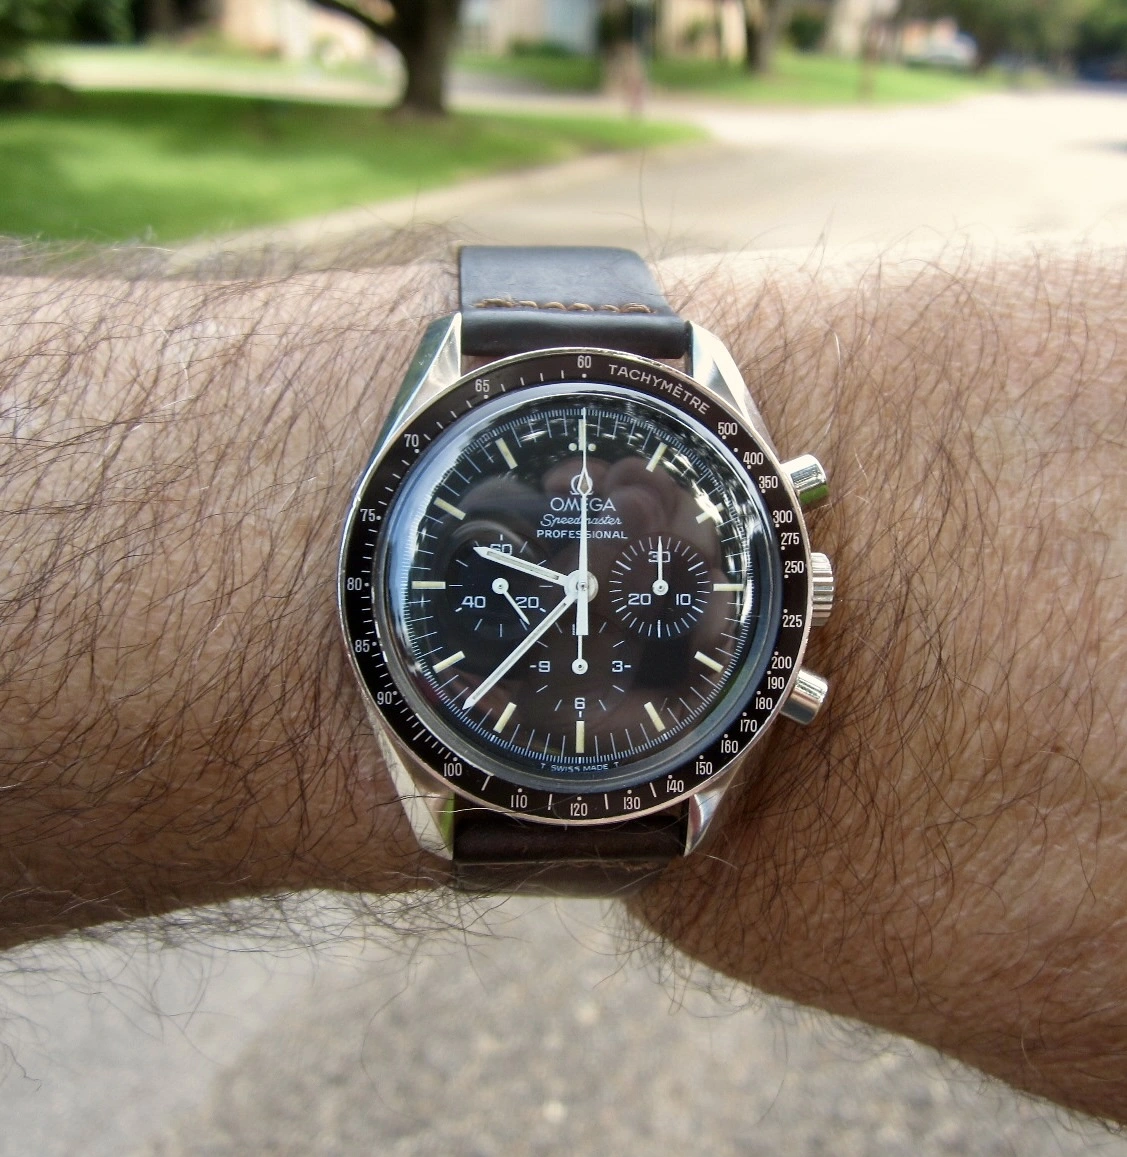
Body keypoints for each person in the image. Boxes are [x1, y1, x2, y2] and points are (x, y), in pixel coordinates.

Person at [1, 246, 1125, 1123]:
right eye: (521, 547)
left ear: (798, 591)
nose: (587, 583)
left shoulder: (730, 599)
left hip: (634, 738)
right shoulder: (455, 507)